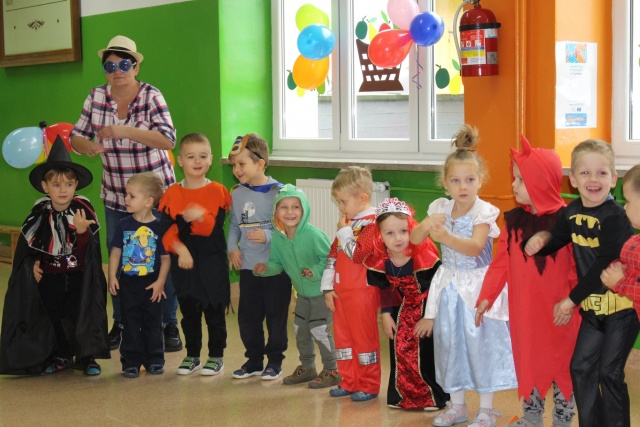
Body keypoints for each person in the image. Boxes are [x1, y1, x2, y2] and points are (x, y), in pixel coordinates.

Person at [69, 35, 182, 352]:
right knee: (119, 258)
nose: (117, 71)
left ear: (136, 67)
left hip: (156, 196)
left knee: (163, 256)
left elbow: (168, 139)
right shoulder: (96, 97)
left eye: (123, 64)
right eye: (109, 66)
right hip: (117, 197)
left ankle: (167, 323)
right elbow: (76, 136)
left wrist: (123, 130)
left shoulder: (151, 95)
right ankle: (121, 322)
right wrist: (87, 146)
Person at [525, 139, 639, 427]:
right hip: (593, 310)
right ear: (573, 179)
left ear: (613, 179)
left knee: (609, 373)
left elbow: (603, 265)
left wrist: (570, 300)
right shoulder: (572, 211)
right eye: (585, 173)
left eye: (601, 173)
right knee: (580, 368)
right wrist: (541, 240)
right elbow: (557, 238)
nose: (593, 179)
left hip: (621, 310)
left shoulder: (616, 216)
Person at [411, 125, 517, 427]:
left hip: (478, 289)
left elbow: (475, 247)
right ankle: (457, 405)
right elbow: (415, 239)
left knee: (481, 345)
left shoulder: (484, 211)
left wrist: (445, 236)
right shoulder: (440, 207)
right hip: (448, 289)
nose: (463, 187)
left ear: (480, 180)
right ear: (445, 184)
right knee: (450, 345)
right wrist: (429, 222)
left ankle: (486, 409)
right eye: (455, 181)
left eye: (470, 180)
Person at [475, 136, 580, 427]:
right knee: (529, 361)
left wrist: (572, 302)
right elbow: (501, 264)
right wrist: (487, 297)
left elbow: (578, 269)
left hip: (561, 313)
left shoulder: (568, 221)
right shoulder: (514, 221)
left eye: (520, 180)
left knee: (563, 365)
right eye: (515, 178)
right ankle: (532, 417)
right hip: (526, 315)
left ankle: (563, 418)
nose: (513, 185)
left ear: (540, 182)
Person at [0, 137, 109, 376]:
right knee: (54, 317)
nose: (63, 190)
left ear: (76, 185)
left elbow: (89, 253)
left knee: (80, 314)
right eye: (56, 185)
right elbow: (30, 249)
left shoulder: (83, 210)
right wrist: (33, 263)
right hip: (50, 279)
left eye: (68, 184)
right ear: (45, 186)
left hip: (78, 277)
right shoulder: (39, 212)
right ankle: (61, 354)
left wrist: (82, 233)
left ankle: (87, 357)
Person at [360, 197, 448, 410]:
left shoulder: (425, 258)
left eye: (403, 231)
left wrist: (429, 318)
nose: (398, 238)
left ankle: (432, 396)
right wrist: (386, 314)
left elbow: (437, 290)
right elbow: (385, 289)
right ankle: (401, 395)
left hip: (428, 310)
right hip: (400, 311)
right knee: (399, 351)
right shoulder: (381, 260)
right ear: (380, 235)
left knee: (425, 355)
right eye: (389, 233)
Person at [253, 184, 341, 388]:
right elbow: (277, 263)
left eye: (295, 207)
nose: (290, 212)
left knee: (319, 329)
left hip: (321, 293)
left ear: (304, 210)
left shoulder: (314, 235)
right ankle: (308, 367)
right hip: (302, 294)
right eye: (284, 207)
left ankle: (331, 369)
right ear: (276, 211)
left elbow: (330, 260)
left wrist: (314, 271)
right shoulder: (278, 238)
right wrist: (265, 269)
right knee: (300, 329)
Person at [159, 133, 231, 376]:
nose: (197, 161)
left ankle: (216, 356)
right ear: (180, 161)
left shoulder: (218, 191)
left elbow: (214, 228)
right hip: (184, 264)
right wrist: (181, 251)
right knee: (189, 310)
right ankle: (192, 355)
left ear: (210, 159)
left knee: (214, 310)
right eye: (191, 157)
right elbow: (166, 231)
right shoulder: (171, 194)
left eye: (202, 156)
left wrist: (201, 216)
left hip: (212, 261)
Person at [227, 134, 290, 380]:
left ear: (260, 163)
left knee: (276, 317)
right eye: (234, 165)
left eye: (242, 164)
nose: (236, 169)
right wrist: (232, 248)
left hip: (276, 268)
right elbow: (234, 224)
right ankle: (253, 361)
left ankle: (274, 361)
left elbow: (289, 227)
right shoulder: (237, 193)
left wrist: (268, 235)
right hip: (248, 267)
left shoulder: (279, 192)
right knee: (248, 318)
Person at [320, 166, 381, 402]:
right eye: (339, 202)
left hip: (362, 292)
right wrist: (328, 288)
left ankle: (369, 384)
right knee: (343, 340)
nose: (341, 207)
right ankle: (349, 381)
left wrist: (345, 231)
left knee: (363, 339)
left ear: (363, 198)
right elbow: (332, 256)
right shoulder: (347, 223)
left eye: (343, 202)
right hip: (340, 293)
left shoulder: (373, 223)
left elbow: (358, 255)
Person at [109, 172, 170, 378]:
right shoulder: (123, 224)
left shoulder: (159, 227)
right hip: (128, 283)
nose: (126, 199)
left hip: (152, 283)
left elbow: (166, 258)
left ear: (148, 201)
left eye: (131, 196)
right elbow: (115, 252)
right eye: (126, 194)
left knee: (153, 322)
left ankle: (155, 359)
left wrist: (160, 282)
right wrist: (112, 276)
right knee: (130, 322)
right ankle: (131, 361)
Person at [601, 163, 640, 321]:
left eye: (628, 201)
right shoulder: (635, 242)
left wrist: (622, 282)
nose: (624, 207)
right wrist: (621, 267)